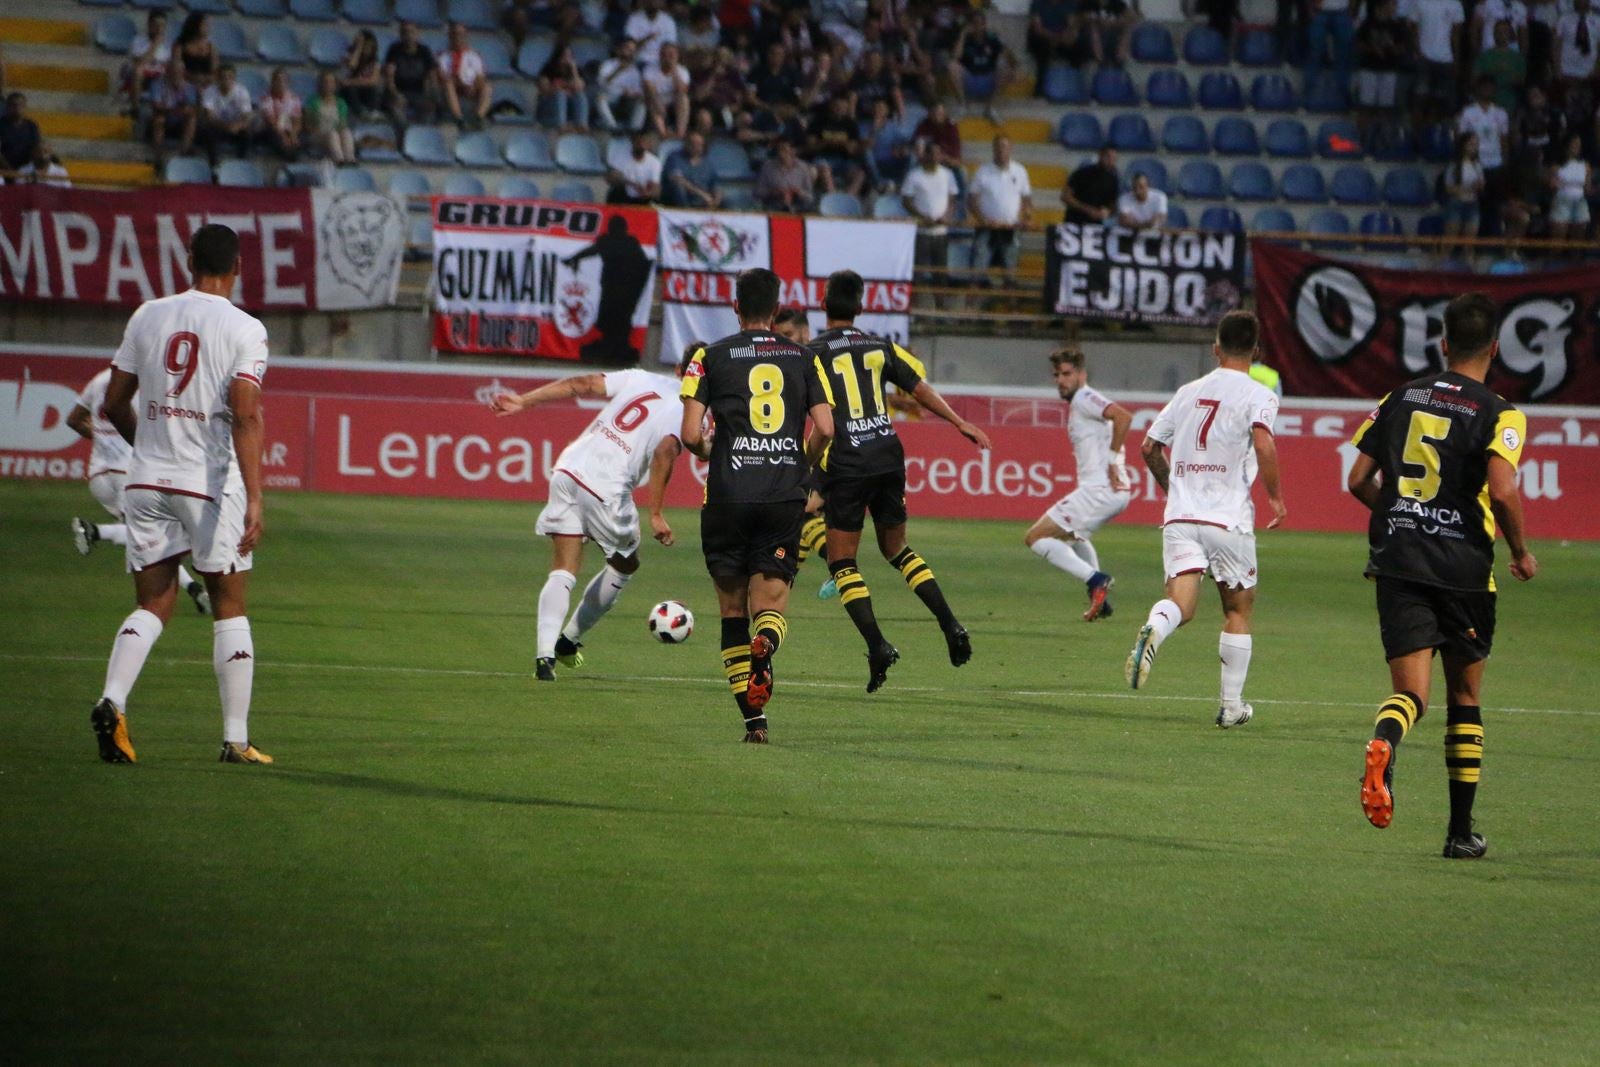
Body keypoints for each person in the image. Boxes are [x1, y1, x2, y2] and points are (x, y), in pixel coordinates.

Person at [1346, 292, 1536, 859]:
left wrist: (1400, 518)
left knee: (1410, 694)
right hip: (1465, 571)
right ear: (1496, 349)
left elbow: (1357, 480)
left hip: (1400, 563)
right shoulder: (1501, 412)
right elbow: (1502, 490)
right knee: (1465, 696)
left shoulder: (1399, 396)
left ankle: (1384, 741)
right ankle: (1459, 833)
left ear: (1444, 343)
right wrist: (1522, 551)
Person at [89, 223, 271, 766]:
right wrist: (256, 496)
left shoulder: (148, 314)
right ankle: (235, 739)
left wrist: (149, 446)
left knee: (153, 602)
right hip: (209, 485)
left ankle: (113, 701)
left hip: (145, 480)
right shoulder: (245, 327)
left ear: (188, 260)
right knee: (229, 606)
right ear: (238, 267)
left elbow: (114, 403)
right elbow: (245, 414)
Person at [808, 270, 991, 692]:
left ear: (823, 303)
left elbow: (819, 423)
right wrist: (959, 422)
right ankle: (951, 623)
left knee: (841, 562)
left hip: (848, 462)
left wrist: (803, 467)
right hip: (888, 455)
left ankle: (877, 645)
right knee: (896, 549)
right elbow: (918, 387)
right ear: (861, 306)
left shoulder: (811, 353)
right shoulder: (879, 346)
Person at [678, 268, 835, 743]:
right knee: (771, 606)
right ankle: (765, 643)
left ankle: (754, 723)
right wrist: (800, 467)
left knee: (731, 613)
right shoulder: (804, 358)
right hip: (782, 495)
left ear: (735, 307)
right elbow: (826, 429)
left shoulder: (708, 356)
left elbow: (689, 436)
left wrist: (710, 451)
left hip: (727, 495)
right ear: (776, 307)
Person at [1125, 310, 1287, 728]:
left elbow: (1147, 447)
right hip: (1227, 518)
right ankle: (1231, 707)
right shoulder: (1259, 394)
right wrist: (1275, 498)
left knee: (1182, 604)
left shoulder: (1187, 392)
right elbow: (1264, 442)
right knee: (1237, 609)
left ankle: (1154, 631)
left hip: (1181, 516)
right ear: (1255, 351)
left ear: (1215, 349)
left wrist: (1175, 492)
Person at [490, 363, 686, 681]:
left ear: (679, 367)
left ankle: (544, 658)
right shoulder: (688, 408)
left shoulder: (640, 377)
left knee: (564, 567)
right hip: (608, 486)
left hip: (568, 469)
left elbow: (583, 383)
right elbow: (666, 450)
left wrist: (525, 401)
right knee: (625, 562)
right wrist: (655, 512)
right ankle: (568, 640)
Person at [70, 367, 209, 615]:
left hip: (99, 476)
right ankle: (94, 531)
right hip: (129, 474)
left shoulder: (99, 379)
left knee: (148, 536)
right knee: (152, 535)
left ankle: (194, 591)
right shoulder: (146, 382)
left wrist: (103, 438)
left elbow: (73, 419)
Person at [1023, 347, 1133, 622]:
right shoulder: (1080, 404)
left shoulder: (1085, 397)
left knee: (1035, 538)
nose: (1061, 380)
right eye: (1057, 375)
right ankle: (1100, 598)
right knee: (1073, 535)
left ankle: (1096, 579)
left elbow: (1123, 416)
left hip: (1100, 489)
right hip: (1109, 491)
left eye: (1067, 373)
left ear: (1082, 375)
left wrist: (1110, 461)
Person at [561, 215, 654, 362]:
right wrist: (573, 259)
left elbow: (641, 263)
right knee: (610, 318)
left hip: (622, 289)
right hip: (615, 288)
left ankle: (618, 349)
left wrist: (573, 259)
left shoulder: (625, 242)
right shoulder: (622, 242)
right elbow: (590, 251)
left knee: (618, 319)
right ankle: (609, 348)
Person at [968, 135, 1033, 280]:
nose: (1001, 151)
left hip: (1011, 228)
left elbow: (1027, 199)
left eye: (1004, 147)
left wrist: (1027, 217)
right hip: (986, 228)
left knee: (1010, 271)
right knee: (977, 271)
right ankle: (971, 302)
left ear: (1010, 149)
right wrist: (982, 220)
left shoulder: (1020, 171)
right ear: (993, 149)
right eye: (998, 147)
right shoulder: (982, 171)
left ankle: (1011, 301)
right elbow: (971, 200)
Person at [901, 139, 956, 274]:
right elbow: (906, 201)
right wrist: (921, 217)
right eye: (932, 154)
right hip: (921, 231)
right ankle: (916, 295)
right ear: (925, 155)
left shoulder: (947, 175)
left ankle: (941, 296)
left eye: (938, 154)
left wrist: (946, 216)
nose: (935, 157)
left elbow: (952, 199)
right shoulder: (914, 175)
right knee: (917, 272)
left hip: (941, 231)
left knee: (941, 273)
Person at [948, 10, 1014, 119]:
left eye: (980, 23)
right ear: (970, 25)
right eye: (974, 23)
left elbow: (1010, 57)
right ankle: (963, 106)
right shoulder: (965, 39)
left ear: (985, 24)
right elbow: (955, 57)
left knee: (1005, 66)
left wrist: (1002, 40)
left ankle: (990, 107)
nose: (978, 26)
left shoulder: (992, 38)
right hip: (970, 80)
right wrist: (963, 35)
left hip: (988, 80)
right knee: (952, 66)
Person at [1408, 0, 1467, 123]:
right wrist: (1417, 51)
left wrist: (1456, 60)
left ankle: (1437, 134)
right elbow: (1412, 28)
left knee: (1442, 101)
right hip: (1424, 58)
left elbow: (1456, 35)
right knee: (1420, 99)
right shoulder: (1420, 2)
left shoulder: (1455, 4)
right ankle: (1416, 135)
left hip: (1446, 58)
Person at [384, 20, 440, 125]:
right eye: (405, 32)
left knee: (430, 109)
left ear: (418, 34)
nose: (409, 35)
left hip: (419, 93)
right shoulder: (394, 50)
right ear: (401, 35)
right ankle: (406, 134)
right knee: (395, 110)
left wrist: (431, 95)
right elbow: (389, 76)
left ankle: (421, 134)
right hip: (400, 91)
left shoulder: (424, 51)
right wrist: (395, 94)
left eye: (411, 32)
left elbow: (432, 75)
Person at [439, 21, 491, 129]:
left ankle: (477, 117)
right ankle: (459, 118)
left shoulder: (474, 55)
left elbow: (480, 76)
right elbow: (444, 76)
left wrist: (473, 86)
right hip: (454, 88)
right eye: (455, 34)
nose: (458, 37)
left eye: (461, 34)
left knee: (487, 88)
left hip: (471, 88)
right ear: (450, 36)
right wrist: (462, 85)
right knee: (448, 84)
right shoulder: (443, 56)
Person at [199, 64, 255, 164]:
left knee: (248, 132)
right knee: (207, 131)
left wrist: (238, 126)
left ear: (234, 78)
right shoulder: (210, 91)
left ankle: (241, 163)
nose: (226, 80)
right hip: (218, 127)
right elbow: (209, 117)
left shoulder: (242, 91)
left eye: (229, 77)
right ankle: (214, 166)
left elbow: (247, 116)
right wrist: (226, 126)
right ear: (218, 78)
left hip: (235, 128)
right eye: (223, 77)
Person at [1441, 131, 1485, 256]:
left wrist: (1479, 186)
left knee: (1469, 243)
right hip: (1456, 204)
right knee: (1450, 241)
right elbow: (1449, 189)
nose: (1474, 147)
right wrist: (1469, 188)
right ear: (1463, 146)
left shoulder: (1477, 165)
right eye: (1471, 144)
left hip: (1472, 204)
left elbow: (1481, 186)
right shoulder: (1454, 165)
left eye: (1476, 144)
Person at [1548, 132, 1593, 248]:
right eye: (1574, 144)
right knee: (1558, 240)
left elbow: (1588, 188)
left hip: (1580, 201)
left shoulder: (1585, 165)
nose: (1577, 147)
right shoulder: (1557, 166)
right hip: (1562, 201)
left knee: (1578, 241)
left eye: (1578, 145)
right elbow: (1552, 184)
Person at [145, 63, 198, 162]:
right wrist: (176, 110)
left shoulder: (189, 88)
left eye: (178, 72)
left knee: (192, 119)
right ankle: (158, 154)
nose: (176, 74)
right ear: (167, 72)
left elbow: (191, 108)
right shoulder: (157, 84)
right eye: (173, 71)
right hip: (164, 118)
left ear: (183, 73)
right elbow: (156, 106)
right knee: (159, 119)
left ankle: (184, 151)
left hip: (179, 120)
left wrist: (176, 108)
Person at [1305, 0, 1357, 99]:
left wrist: (1351, 11)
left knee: (1343, 55)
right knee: (1314, 52)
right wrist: (1310, 9)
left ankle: (1344, 95)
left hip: (1342, 11)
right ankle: (1307, 95)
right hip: (1320, 11)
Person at [1473, 18, 1526, 111]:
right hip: (1487, 105)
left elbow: (1522, 80)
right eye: (1498, 31)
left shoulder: (1518, 58)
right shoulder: (1484, 56)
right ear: (1494, 33)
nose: (1501, 34)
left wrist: (1508, 76)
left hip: (1510, 104)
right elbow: (1475, 79)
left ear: (1511, 34)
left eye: (1505, 31)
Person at [594, 38, 646, 132]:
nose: (629, 52)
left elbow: (639, 91)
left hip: (627, 101)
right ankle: (612, 126)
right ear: (618, 50)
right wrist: (618, 70)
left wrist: (632, 93)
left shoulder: (634, 70)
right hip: (611, 98)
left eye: (632, 50)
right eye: (627, 48)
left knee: (642, 100)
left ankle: (635, 129)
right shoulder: (608, 64)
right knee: (600, 97)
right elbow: (601, 84)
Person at [642, 41, 691, 139]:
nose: (667, 57)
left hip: (673, 99)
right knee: (652, 102)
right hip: (656, 98)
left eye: (671, 54)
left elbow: (682, 90)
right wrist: (659, 105)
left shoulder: (683, 71)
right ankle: (663, 133)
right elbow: (650, 90)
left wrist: (673, 70)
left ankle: (680, 132)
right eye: (664, 54)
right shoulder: (650, 69)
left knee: (684, 99)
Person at [536, 42, 590, 131]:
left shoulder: (575, 71)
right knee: (560, 94)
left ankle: (582, 124)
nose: (567, 59)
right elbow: (545, 91)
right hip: (550, 106)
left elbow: (579, 87)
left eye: (570, 56)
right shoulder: (548, 70)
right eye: (565, 55)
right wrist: (564, 89)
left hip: (569, 106)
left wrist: (574, 69)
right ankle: (561, 125)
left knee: (580, 95)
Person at [122, 10, 171, 106]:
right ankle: (135, 107)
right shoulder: (138, 40)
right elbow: (140, 63)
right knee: (138, 71)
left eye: (162, 26)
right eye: (156, 25)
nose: (159, 29)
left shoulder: (169, 44)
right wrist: (155, 44)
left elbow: (169, 64)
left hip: (160, 74)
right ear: (149, 25)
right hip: (143, 74)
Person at [306, 71, 355, 164]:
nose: (328, 85)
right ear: (321, 84)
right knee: (332, 134)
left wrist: (338, 130)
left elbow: (342, 123)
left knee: (346, 132)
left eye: (331, 82)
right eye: (325, 82)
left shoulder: (341, 103)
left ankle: (350, 160)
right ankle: (339, 160)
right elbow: (308, 124)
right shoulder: (313, 102)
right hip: (318, 135)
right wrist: (319, 131)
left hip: (335, 133)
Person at [755, 138, 817, 213]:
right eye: (780, 149)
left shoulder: (803, 167)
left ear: (793, 151)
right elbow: (758, 193)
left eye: (785, 149)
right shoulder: (768, 167)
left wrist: (799, 192)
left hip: (798, 207)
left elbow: (810, 196)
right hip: (774, 206)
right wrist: (774, 192)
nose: (782, 153)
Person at [661, 131, 720, 207]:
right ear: (686, 144)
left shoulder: (708, 163)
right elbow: (677, 180)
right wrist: (701, 194)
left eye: (698, 144)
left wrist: (717, 198)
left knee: (727, 200)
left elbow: (715, 184)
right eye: (692, 143)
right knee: (679, 189)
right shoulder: (674, 157)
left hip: (703, 201)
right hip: (680, 200)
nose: (695, 147)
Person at [1062, 147, 1119, 226]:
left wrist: (1107, 211)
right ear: (1100, 155)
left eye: (1114, 159)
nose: (1111, 161)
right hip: (1074, 222)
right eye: (1108, 157)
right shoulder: (1081, 173)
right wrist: (1088, 210)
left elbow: (1113, 205)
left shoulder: (1113, 180)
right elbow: (1065, 197)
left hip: (1095, 226)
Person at [257, 67, 303, 162]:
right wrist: (284, 137)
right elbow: (271, 121)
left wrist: (293, 135)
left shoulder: (294, 98)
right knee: (281, 142)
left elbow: (297, 120)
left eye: (283, 80)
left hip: (288, 129)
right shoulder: (266, 98)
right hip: (271, 130)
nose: (280, 83)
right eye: (278, 80)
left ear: (288, 83)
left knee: (298, 143)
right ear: (273, 82)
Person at [604, 130, 662, 204]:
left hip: (642, 198)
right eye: (638, 142)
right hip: (624, 196)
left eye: (643, 141)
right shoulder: (621, 156)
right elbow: (610, 178)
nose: (640, 144)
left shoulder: (655, 162)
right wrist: (631, 184)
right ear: (632, 141)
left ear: (648, 144)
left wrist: (648, 193)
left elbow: (656, 188)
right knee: (615, 191)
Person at [340, 30, 385, 118]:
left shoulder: (375, 62)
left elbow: (373, 81)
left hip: (363, 90)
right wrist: (358, 48)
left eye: (368, 46)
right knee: (350, 89)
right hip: (349, 92)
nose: (366, 48)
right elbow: (352, 66)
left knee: (374, 89)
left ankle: (374, 111)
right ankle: (359, 112)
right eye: (364, 45)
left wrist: (351, 81)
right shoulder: (348, 56)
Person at [626, 0, 678, 68]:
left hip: (660, 63)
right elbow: (629, 46)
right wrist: (647, 39)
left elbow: (671, 46)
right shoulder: (634, 18)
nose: (652, 3)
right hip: (639, 61)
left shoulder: (668, 21)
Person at [174, 12, 218, 90]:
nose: (207, 28)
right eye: (204, 25)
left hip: (206, 84)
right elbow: (176, 67)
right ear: (195, 26)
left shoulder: (211, 47)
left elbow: (215, 70)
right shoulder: (180, 46)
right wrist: (194, 78)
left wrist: (206, 79)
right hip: (185, 83)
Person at [1, 92, 40, 174]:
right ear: (7, 107)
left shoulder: (31, 126)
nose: (17, 108)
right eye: (14, 105)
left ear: (25, 106)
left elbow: (36, 149)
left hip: (25, 169)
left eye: (21, 105)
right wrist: (10, 170)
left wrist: (24, 169)